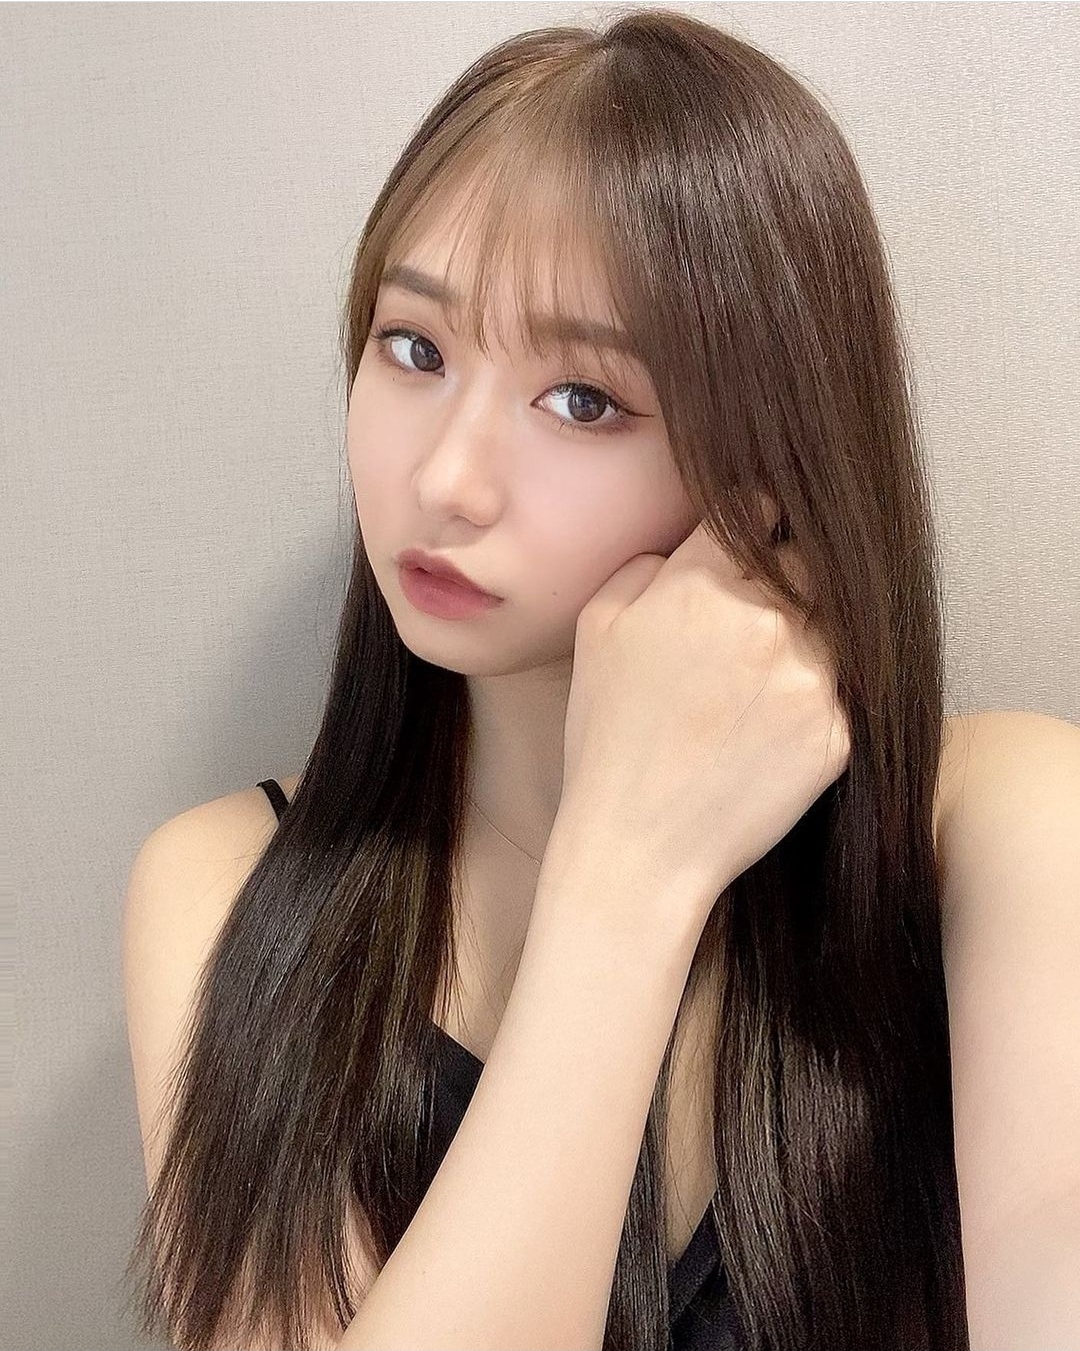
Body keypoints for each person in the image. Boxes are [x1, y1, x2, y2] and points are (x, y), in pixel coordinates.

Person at [120, 8, 1080, 1351]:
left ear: (770, 465)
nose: (447, 479)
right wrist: (629, 883)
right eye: (415, 348)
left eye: (585, 400)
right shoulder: (226, 891)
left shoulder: (1001, 825)